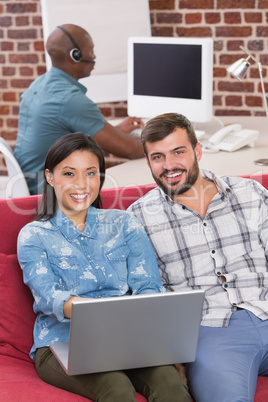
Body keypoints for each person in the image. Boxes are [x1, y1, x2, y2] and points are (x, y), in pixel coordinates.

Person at [17, 132, 190, 402]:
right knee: (116, 386)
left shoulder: (124, 223)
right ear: (50, 177)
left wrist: (156, 339)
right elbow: (49, 297)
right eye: (69, 174)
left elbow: (148, 286)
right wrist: (99, 314)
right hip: (63, 342)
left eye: (91, 173)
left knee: (169, 382)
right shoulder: (33, 235)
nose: (81, 185)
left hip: (129, 338)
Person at [127, 112, 268, 402]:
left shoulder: (251, 193)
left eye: (178, 152)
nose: (169, 166)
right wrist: (169, 354)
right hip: (213, 332)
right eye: (157, 157)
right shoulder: (137, 219)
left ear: (198, 150)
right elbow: (149, 297)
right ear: (148, 162)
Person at [14, 23, 145, 195]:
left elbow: (59, 137)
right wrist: (165, 139)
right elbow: (131, 150)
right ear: (75, 56)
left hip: (29, 185)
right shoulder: (70, 100)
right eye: (90, 51)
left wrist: (116, 131)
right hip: (49, 195)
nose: (94, 56)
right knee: (139, 181)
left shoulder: (39, 85)